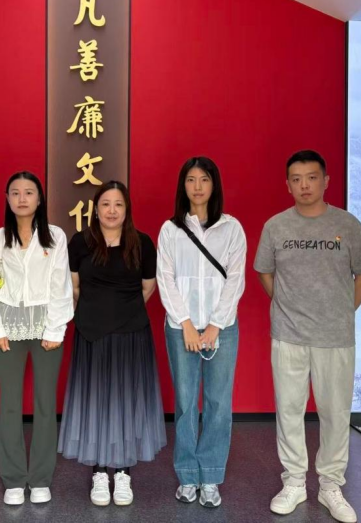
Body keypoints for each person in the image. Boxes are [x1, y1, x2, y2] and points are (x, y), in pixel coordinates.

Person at [254, 150, 361, 523]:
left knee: (335, 413)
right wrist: (287, 306)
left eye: (311, 177)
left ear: (326, 181)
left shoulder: (347, 225)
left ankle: (330, 485)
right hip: (288, 334)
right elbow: (265, 272)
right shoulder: (276, 226)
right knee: (289, 410)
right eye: (296, 179)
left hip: (335, 336)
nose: (304, 185)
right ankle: (293, 482)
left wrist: (341, 312)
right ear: (287, 184)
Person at [58, 181, 166, 507]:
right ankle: (99, 474)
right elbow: (74, 287)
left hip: (130, 334)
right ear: (96, 208)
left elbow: (148, 287)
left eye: (118, 204)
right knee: (96, 402)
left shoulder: (142, 243)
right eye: (106, 204)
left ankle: (122, 474)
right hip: (92, 334)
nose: (112, 210)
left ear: (126, 209)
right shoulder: (81, 242)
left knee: (125, 402)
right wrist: (98, 314)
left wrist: (121, 313)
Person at [156, 157, 246, 508]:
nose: (197, 186)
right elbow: (166, 278)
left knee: (218, 403)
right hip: (181, 328)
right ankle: (187, 476)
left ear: (214, 185)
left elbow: (235, 279)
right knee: (185, 402)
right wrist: (187, 324)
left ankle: (210, 475)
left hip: (222, 327)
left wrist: (215, 325)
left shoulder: (232, 228)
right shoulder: (171, 229)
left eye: (204, 179)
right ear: (183, 185)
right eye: (191, 179)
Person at [0, 171, 73, 506]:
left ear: (39, 198)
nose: (22, 198)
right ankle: (14, 478)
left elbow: (61, 283)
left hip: (46, 325)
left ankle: (41, 478)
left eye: (29, 192)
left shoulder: (55, 236)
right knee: (9, 403)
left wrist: (55, 329)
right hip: (8, 327)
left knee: (45, 403)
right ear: (7, 199)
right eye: (15, 192)